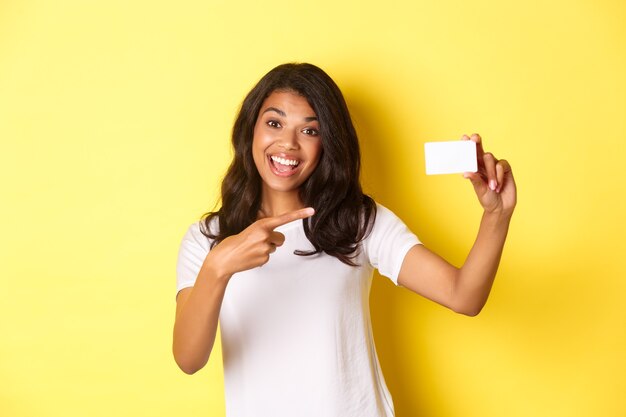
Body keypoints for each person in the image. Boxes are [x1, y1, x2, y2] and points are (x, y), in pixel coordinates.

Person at [173, 63, 516, 417]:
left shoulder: (358, 222)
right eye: (274, 123)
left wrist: (497, 215)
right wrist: (218, 267)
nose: (288, 143)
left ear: (327, 144)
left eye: (310, 130)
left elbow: (463, 295)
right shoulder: (207, 240)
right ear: (251, 130)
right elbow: (188, 359)